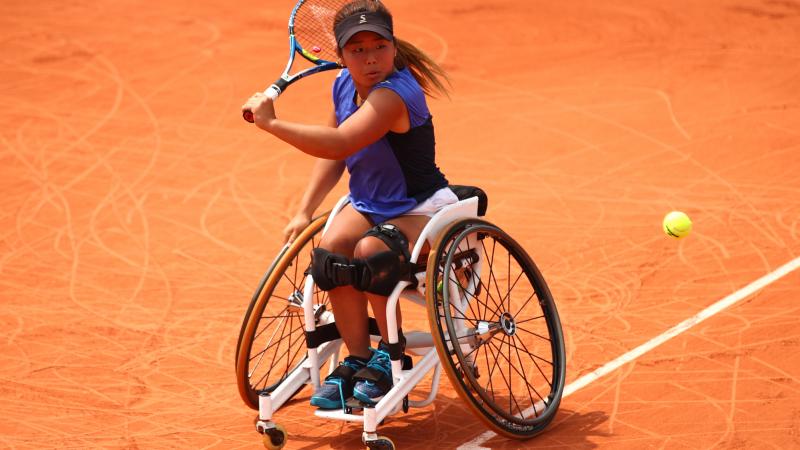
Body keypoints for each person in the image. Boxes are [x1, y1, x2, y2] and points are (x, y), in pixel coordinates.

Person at [241, 0, 457, 410]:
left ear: (394, 47)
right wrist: (306, 209)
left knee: (370, 252)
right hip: (370, 203)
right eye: (357, 50)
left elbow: (342, 142)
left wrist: (270, 124)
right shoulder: (342, 85)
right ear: (340, 56)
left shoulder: (395, 94)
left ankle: (392, 358)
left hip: (419, 207)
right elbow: (334, 154)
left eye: (379, 46)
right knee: (329, 254)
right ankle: (361, 357)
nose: (371, 58)